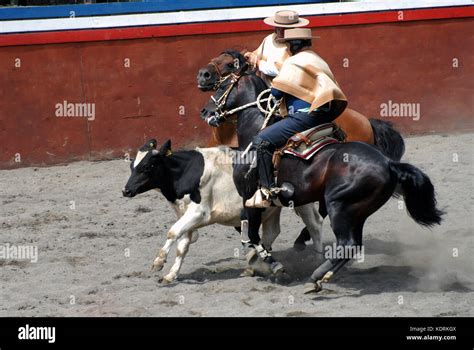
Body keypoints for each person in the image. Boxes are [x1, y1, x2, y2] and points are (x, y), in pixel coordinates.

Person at [246, 28, 348, 208]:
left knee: (261, 141)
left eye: (286, 45)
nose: (285, 48)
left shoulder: (294, 62)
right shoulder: (318, 59)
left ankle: (267, 191)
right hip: (323, 115)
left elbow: (277, 92)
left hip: (303, 118)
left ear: (293, 45)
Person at [244, 10, 309, 87]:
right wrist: (248, 57)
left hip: (285, 91)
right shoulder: (269, 39)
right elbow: (256, 55)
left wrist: (258, 63)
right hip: (264, 88)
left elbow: (284, 71)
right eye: (279, 28)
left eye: (285, 29)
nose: (281, 32)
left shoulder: (297, 45)